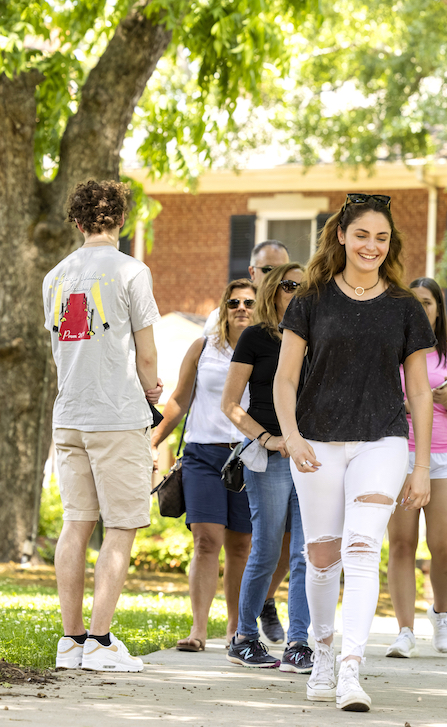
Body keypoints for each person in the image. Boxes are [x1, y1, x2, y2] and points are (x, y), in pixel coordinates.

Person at [275, 193, 435, 712]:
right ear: (341, 235)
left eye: (381, 237)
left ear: (391, 244)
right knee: (322, 555)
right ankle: (321, 652)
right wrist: (292, 436)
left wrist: (422, 464)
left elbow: (420, 391)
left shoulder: (405, 308)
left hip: (382, 440)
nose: (371, 245)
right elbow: (284, 378)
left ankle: (351, 669)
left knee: (363, 547)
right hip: (316, 441)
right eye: (362, 234)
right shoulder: (311, 300)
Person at [44, 179, 162, 672]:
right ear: (121, 220)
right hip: (115, 415)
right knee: (121, 525)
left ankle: (70, 643)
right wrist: (153, 391)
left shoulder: (55, 275)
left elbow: (63, 345)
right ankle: (100, 642)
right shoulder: (132, 271)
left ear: (76, 222)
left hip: (69, 413)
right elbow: (147, 352)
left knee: (76, 524)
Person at [150, 279, 256, 653]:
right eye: (234, 303)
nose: (241, 307)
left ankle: (234, 629)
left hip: (247, 457)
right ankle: (198, 630)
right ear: (224, 309)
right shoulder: (203, 347)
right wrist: (153, 440)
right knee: (206, 541)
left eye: (249, 302)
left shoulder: (267, 350)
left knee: (241, 546)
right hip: (202, 455)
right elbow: (179, 400)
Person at [222, 263, 312, 672]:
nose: (299, 291)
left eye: (307, 286)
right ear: (275, 290)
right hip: (271, 456)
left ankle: (298, 643)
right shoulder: (256, 338)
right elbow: (230, 405)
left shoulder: (318, 335)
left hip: (313, 458)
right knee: (267, 548)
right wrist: (268, 439)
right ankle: (243, 637)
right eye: (292, 285)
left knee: (306, 553)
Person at [204, 238, 293, 644]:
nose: (277, 280)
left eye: (286, 274)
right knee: (256, 544)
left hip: (298, 450)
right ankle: (240, 631)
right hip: (240, 451)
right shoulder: (234, 325)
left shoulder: (308, 330)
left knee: (295, 546)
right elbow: (221, 397)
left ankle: (281, 619)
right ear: (255, 274)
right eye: (267, 271)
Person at [386, 277, 447, 659]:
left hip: (443, 457)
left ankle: (440, 612)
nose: (420, 308)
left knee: (444, 545)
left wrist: (444, 400)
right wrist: (406, 404)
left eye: (426, 302)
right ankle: (404, 631)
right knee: (402, 543)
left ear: (438, 308)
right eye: (413, 302)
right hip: (397, 454)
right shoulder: (390, 352)